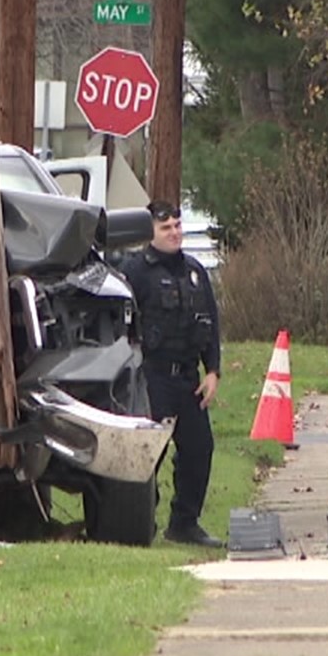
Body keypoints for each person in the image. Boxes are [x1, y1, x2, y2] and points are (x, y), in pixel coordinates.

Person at [121, 199, 225, 548]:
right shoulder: (136, 272)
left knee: (199, 448)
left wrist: (213, 371)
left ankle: (184, 522)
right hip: (154, 376)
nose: (175, 233)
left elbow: (210, 323)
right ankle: (139, 521)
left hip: (189, 379)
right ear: (150, 232)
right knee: (150, 452)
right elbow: (123, 325)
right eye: (166, 228)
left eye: (178, 226)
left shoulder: (195, 272)